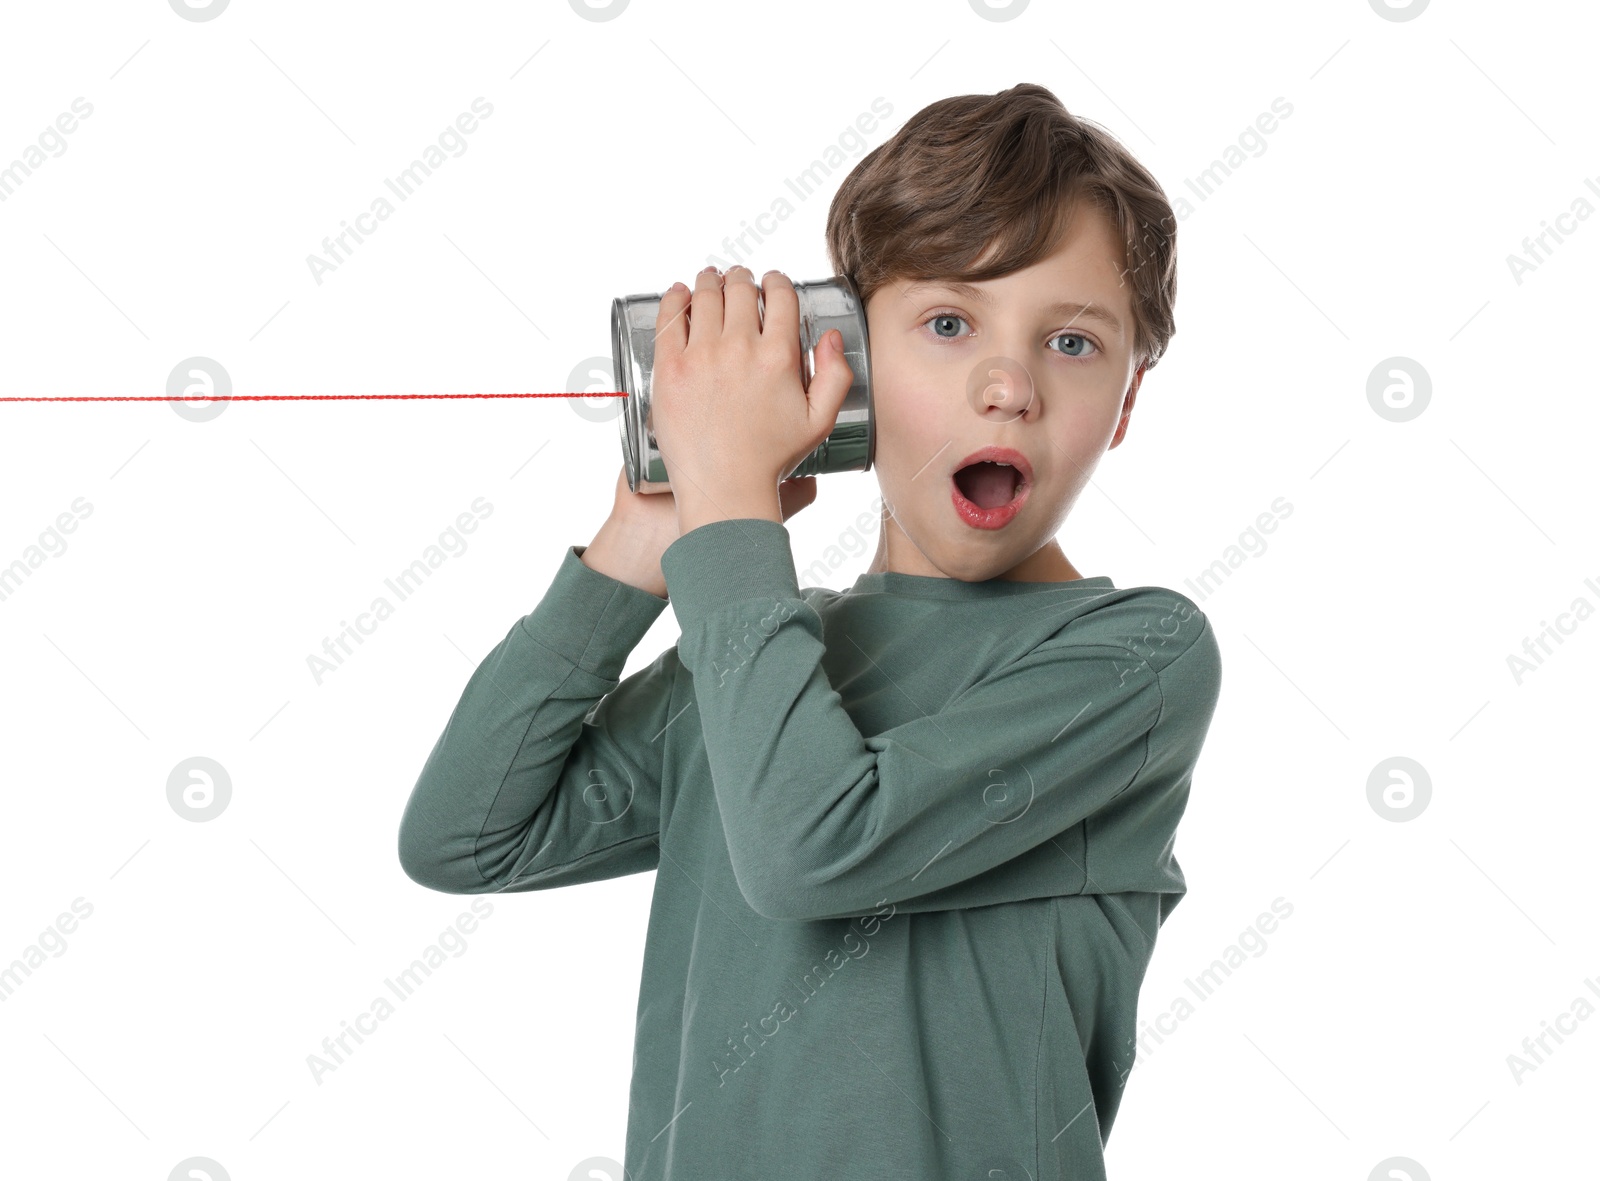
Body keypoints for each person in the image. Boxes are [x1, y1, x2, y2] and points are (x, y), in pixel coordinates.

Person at [398, 81, 1221, 1181]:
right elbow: (465, 836)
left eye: (1072, 344)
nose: (1007, 385)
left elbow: (811, 846)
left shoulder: (1137, 656)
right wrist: (643, 544)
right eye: (945, 322)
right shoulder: (759, 644)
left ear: (1123, 405)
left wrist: (733, 515)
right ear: (850, 371)